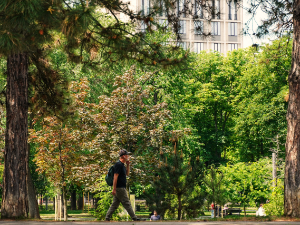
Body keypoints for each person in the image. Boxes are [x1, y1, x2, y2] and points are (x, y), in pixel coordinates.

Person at [105, 149, 139, 221]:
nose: (128, 156)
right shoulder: (118, 165)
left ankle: (107, 218)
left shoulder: (122, 165)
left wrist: (128, 165)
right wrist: (114, 189)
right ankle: (134, 218)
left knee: (114, 205)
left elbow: (127, 174)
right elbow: (115, 176)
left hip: (120, 187)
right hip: (120, 188)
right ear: (123, 156)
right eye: (127, 155)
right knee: (127, 203)